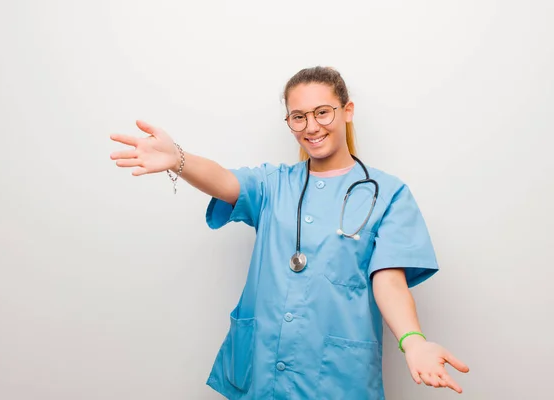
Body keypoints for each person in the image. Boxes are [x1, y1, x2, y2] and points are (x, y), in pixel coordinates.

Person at [109, 66, 469, 399]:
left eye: (322, 112)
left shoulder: (388, 193)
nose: (311, 127)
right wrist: (179, 159)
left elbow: (388, 280)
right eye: (298, 117)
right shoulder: (273, 183)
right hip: (263, 370)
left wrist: (413, 340)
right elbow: (224, 180)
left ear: (347, 111)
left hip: (337, 377)